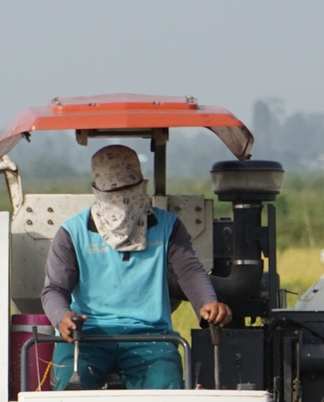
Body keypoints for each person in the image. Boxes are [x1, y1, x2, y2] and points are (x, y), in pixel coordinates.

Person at [40, 145, 231, 389]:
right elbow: (54, 289)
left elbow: (190, 271)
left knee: (166, 386)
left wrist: (207, 302)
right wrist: (62, 318)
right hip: (86, 336)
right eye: (114, 193)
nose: (122, 201)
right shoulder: (72, 232)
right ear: (98, 192)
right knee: (71, 389)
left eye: (129, 191)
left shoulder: (167, 227)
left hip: (150, 337)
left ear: (142, 187)